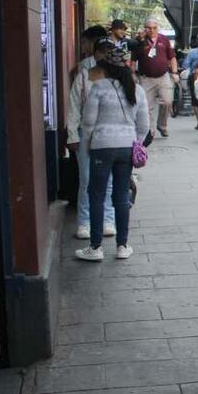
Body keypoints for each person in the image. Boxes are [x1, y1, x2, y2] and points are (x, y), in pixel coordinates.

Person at [75, 44, 150, 262]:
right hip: (126, 148)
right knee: (120, 196)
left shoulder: (98, 87)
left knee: (96, 195)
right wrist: (137, 144)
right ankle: (122, 246)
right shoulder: (137, 89)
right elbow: (144, 125)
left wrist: (87, 145)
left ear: (106, 67)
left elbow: (88, 122)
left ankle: (96, 247)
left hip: (102, 147)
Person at [66, 27, 115, 240]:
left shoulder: (118, 77)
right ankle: (85, 222)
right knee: (86, 179)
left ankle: (108, 219)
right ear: (94, 54)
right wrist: (72, 136)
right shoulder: (84, 76)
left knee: (109, 179)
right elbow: (74, 106)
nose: (104, 55)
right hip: (85, 134)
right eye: (101, 51)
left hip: (109, 135)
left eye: (108, 52)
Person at [132, 17, 179, 138]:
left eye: (154, 28)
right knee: (147, 107)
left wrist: (174, 72)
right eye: (149, 28)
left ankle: (162, 126)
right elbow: (133, 60)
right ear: (145, 28)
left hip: (163, 77)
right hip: (146, 78)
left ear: (157, 28)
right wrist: (132, 75)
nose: (152, 30)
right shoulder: (140, 42)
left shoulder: (164, 40)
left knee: (167, 101)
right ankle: (150, 131)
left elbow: (172, 57)